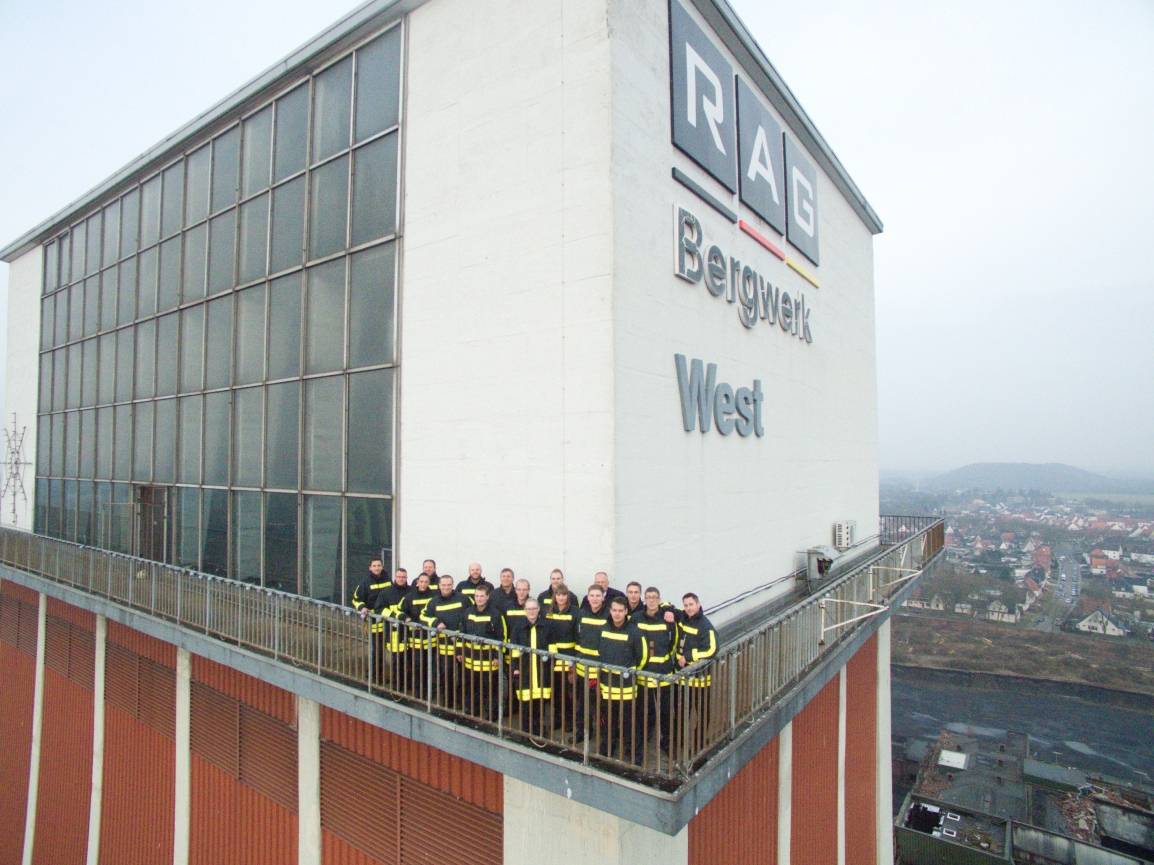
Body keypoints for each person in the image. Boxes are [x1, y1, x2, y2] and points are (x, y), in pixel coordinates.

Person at [597, 597, 647, 764]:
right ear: (610, 611)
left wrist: (630, 672)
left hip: (626, 688)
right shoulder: (603, 629)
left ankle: (634, 754)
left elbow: (643, 657)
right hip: (607, 685)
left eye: (620, 611)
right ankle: (607, 749)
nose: (617, 614)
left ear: (626, 612)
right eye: (614, 610)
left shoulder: (634, 632)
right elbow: (600, 652)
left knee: (629, 724)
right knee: (608, 721)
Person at [635, 586, 679, 758]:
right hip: (644, 674)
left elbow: (673, 641)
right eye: (648, 597)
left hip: (664, 673)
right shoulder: (637, 618)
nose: (651, 600)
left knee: (666, 711)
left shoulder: (667, 618)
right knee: (644, 710)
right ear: (644, 599)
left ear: (659, 599)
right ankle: (644, 737)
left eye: (654, 597)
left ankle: (666, 741)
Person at [677, 592, 719, 754]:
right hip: (683, 678)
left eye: (691, 604)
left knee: (701, 712)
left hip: (700, 678)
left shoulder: (705, 625)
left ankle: (699, 743)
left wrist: (688, 657)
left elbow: (712, 649)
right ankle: (680, 742)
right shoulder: (683, 620)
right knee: (682, 712)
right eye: (686, 605)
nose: (688, 608)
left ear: (698, 605)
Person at [421, 575, 469, 708]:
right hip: (444, 646)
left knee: (463, 676)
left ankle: (460, 702)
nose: (446, 587)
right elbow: (423, 616)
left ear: (452, 585)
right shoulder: (433, 601)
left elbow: (470, 615)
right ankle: (447, 702)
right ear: (439, 586)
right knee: (445, 675)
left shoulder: (463, 599)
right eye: (443, 585)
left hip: (462, 644)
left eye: (449, 585)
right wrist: (436, 622)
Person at [460, 584, 507, 721]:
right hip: (470, 660)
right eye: (477, 596)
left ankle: (492, 716)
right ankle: (471, 712)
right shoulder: (467, 612)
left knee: (491, 691)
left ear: (487, 597)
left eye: (482, 596)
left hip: (489, 662)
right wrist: (459, 651)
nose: (479, 599)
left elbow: (502, 637)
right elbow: (461, 633)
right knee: (471, 688)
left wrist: (497, 656)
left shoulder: (495, 614)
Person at [507, 598, 553, 734]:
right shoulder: (518, 626)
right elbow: (514, 649)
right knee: (526, 705)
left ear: (538, 609)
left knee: (540, 704)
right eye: (529, 609)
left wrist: (550, 667)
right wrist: (515, 668)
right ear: (524, 611)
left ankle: (539, 732)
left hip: (541, 671)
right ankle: (526, 732)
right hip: (524, 671)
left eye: (534, 608)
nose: (531, 611)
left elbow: (552, 649)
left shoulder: (547, 626)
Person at [572, 584, 609, 741]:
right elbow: (577, 640)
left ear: (603, 597)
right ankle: (582, 732)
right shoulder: (581, 614)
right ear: (587, 597)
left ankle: (603, 738)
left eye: (597, 595)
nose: (594, 598)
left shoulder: (609, 616)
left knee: (600, 708)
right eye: (591, 595)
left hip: (600, 672)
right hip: (582, 670)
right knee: (582, 705)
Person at [545, 583, 580, 733]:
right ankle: (558, 719)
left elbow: (578, 636)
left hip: (568, 657)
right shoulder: (548, 611)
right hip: (553, 658)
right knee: (556, 691)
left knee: (569, 694)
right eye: (558, 595)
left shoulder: (575, 612)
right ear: (555, 596)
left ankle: (570, 721)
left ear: (568, 596)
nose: (561, 597)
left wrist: (574, 661)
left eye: (564, 595)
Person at [351, 559, 390, 683]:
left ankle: (381, 673)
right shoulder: (365, 582)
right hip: (373, 621)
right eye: (374, 566)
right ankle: (374, 675)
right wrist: (362, 607)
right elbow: (356, 599)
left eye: (379, 565)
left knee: (386, 649)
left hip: (387, 620)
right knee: (377, 650)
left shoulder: (388, 580)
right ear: (370, 568)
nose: (377, 568)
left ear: (382, 567)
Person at [399, 572, 435, 698]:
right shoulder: (409, 597)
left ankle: (430, 692)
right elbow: (399, 610)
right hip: (415, 639)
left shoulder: (435, 596)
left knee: (430, 667)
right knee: (417, 667)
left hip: (432, 640)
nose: (423, 584)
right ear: (417, 582)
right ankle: (418, 692)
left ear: (429, 583)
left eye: (426, 581)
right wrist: (406, 618)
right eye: (421, 581)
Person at [374, 567, 411, 688]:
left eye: (403, 577)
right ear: (395, 577)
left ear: (406, 578)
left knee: (409, 660)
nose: (401, 579)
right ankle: (396, 685)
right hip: (394, 631)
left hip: (409, 631)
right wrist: (395, 616)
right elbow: (379, 609)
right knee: (396, 661)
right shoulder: (386, 592)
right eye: (399, 577)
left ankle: (408, 683)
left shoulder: (411, 592)